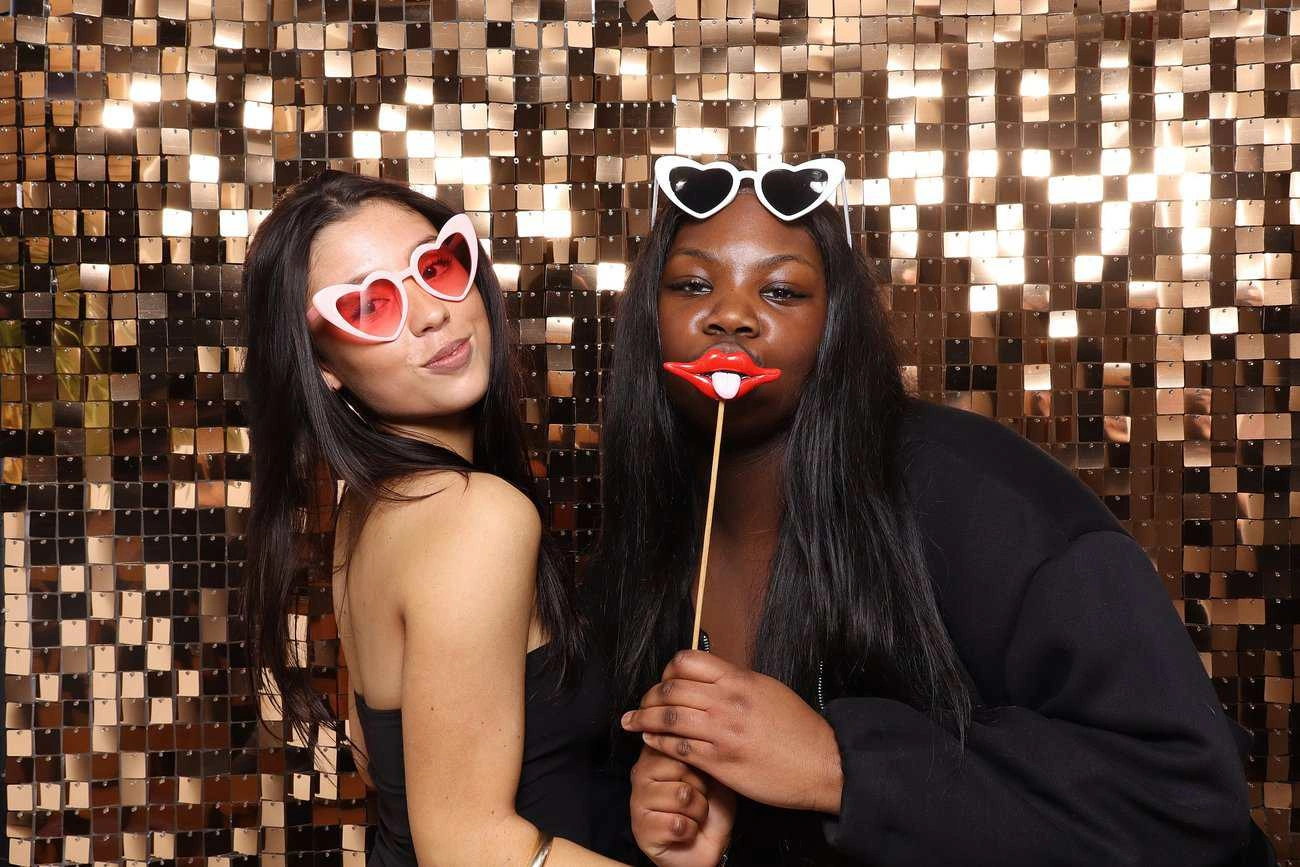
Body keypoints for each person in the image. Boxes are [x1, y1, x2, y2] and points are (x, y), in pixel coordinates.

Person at [594, 157, 1267, 866]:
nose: (730, 313)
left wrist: (841, 766)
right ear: (650, 314)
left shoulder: (982, 498)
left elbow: (1189, 800)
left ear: (838, 322)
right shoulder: (650, 527)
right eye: (693, 284)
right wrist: (687, 824)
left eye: (784, 290)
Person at [239, 169, 633, 866]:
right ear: (323, 363)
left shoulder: (373, 506)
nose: (430, 313)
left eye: (437, 264)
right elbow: (468, 847)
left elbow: (387, 766)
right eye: (368, 307)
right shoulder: (471, 516)